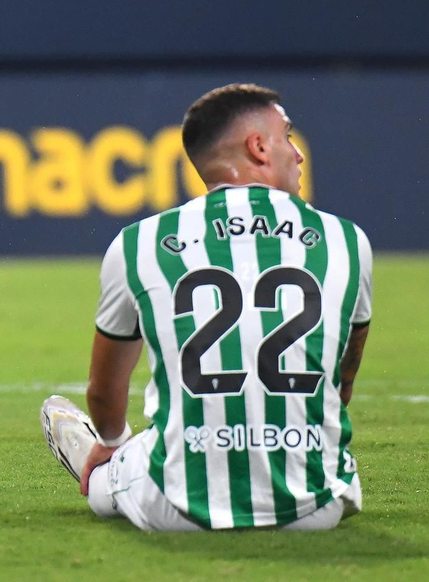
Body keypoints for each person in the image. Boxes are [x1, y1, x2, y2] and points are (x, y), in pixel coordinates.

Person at [40, 84, 372, 533]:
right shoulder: (346, 241)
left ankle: (103, 468)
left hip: (179, 508)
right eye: (287, 138)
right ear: (258, 147)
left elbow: (103, 391)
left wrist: (115, 439)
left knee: (112, 473)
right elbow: (342, 384)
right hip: (316, 506)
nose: (298, 155)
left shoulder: (139, 244)